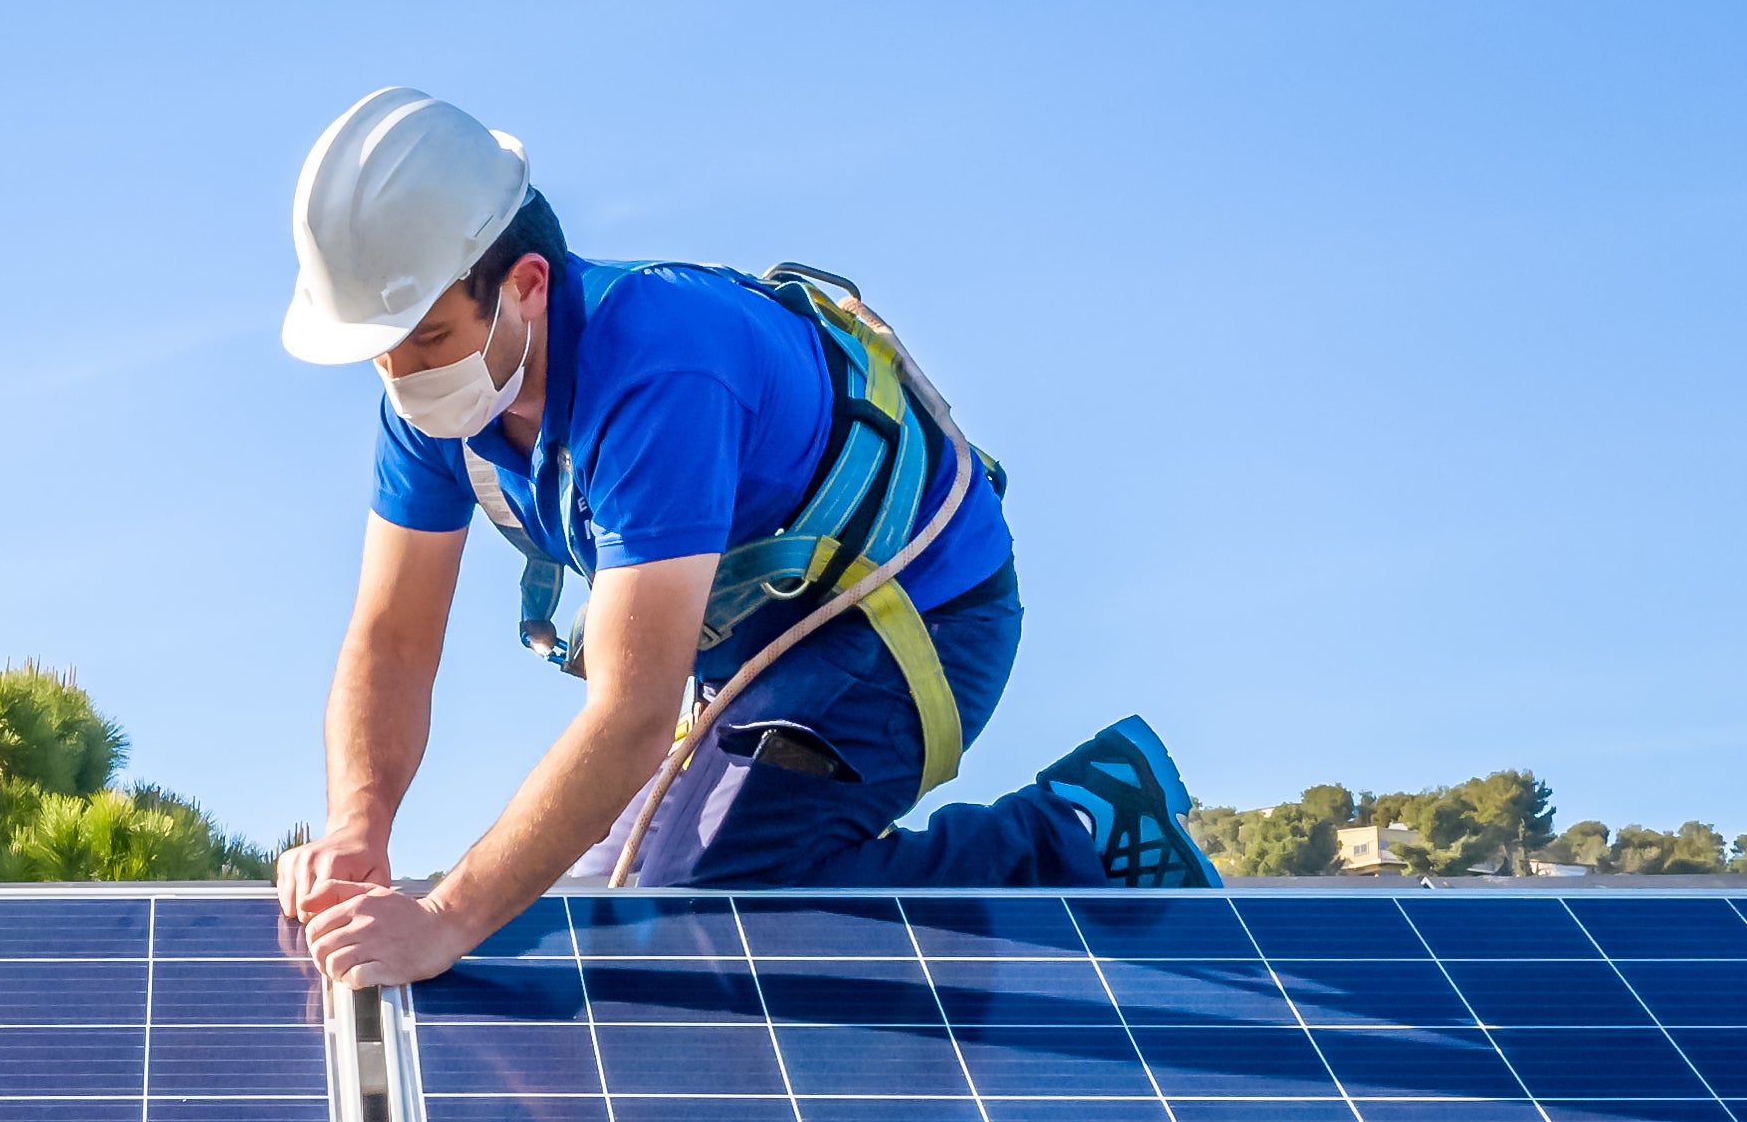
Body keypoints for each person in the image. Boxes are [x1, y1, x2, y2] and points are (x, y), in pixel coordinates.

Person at [269, 88, 1214, 989]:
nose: (401, 374)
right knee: (605, 909)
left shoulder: (663, 372)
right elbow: (392, 639)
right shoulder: (436, 402)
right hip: (761, 654)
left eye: (426, 337)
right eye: (380, 351)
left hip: (914, 610)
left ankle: (1075, 830)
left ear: (523, 285)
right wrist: (358, 823)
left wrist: (443, 921)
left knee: (697, 905)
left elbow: (633, 716)